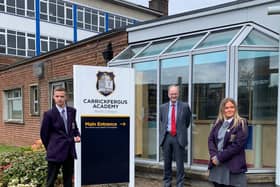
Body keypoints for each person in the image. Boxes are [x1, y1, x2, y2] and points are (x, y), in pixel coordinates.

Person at [40, 87, 81, 187]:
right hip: (55, 152)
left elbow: (74, 126)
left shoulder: (72, 111)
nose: (59, 99)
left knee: (68, 180)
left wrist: (77, 135)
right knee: (51, 180)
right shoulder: (49, 114)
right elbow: (44, 134)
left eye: (62, 96)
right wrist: (50, 147)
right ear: (53, 97)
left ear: (66, 97)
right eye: (57, 96)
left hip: (69, 151)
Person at [208, 97, 248, 187]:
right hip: (217, 167)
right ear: (222, 109)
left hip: (232, 167)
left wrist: (219, 157)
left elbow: (237, 146)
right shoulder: (217, 122)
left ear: (235, 109)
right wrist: (213, 155)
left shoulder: (241, 123)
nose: (229, 110)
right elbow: (210, 140)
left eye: (232, 107)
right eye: (226, 108)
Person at [159, 85, 192, 187]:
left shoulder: (185, 106)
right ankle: (167, 183)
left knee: (180, 164)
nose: (173, 95)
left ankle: (180, 184)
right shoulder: (162, 107)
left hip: (179, 137)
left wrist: (179, 131)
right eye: (172, 93)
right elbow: (162, 121)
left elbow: (187, 122)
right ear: (168, 94)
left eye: (175, 93)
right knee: (167, 162)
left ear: (178, 94)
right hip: (167, 137)